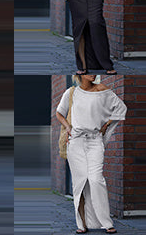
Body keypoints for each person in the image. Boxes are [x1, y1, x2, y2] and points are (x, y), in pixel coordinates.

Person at [55, 74, 127, 234]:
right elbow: (59, 113)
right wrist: (68, 127)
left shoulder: (103, 90)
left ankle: (106, 222)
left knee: (96, 180)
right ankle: (82, 224)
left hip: (95, 140)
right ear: (79, 74)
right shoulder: (71, 92)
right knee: (79, 183)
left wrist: (107, 125)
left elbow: (121, 107)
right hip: (76, 141)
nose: (93, 72)